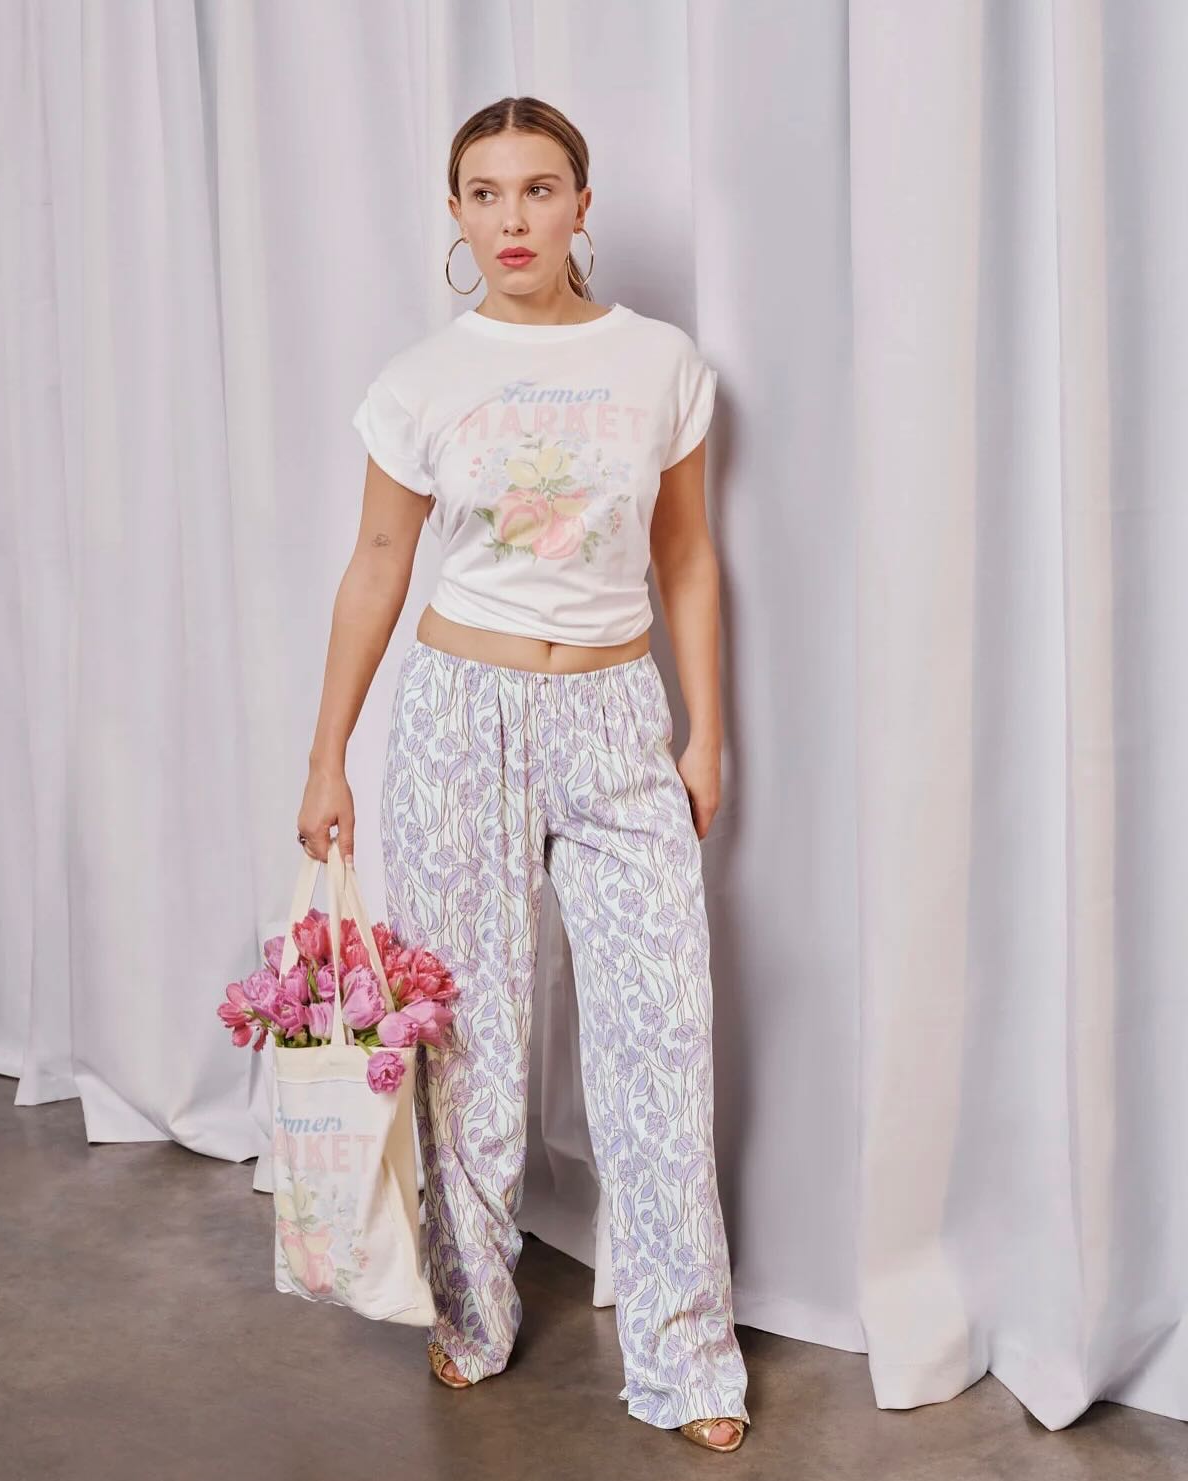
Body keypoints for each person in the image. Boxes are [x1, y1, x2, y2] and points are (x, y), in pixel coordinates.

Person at [297, 95, 750, 1455]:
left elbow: (686, 556)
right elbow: (380, 562)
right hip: (458, 714)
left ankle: (687, 1353)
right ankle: (471, 1306)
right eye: (486, 194)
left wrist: (705, 733)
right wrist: (326, 755)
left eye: (539, 190)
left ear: (581, 205)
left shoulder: (658, 362)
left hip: (615, 711)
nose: (514, 218)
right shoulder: (421, 380)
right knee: (469, 1031)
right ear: (455, 213)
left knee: (662, 1033)